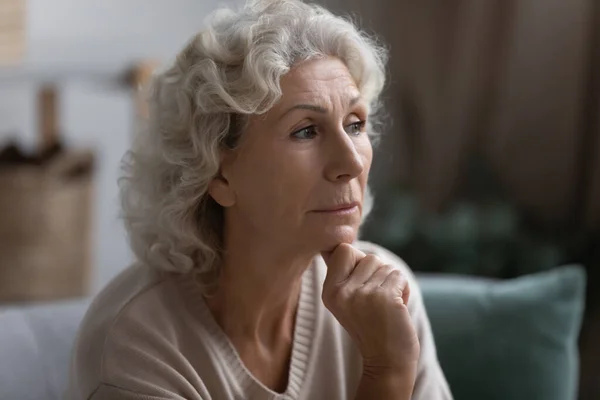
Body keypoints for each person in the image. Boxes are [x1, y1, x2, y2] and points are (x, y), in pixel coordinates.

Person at [67, 0, 453, 399]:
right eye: (306, 131)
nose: (351, 162)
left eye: (355, 124)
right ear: (216, 172)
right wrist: (387, 372)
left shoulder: (387, 297)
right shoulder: (140, 345)